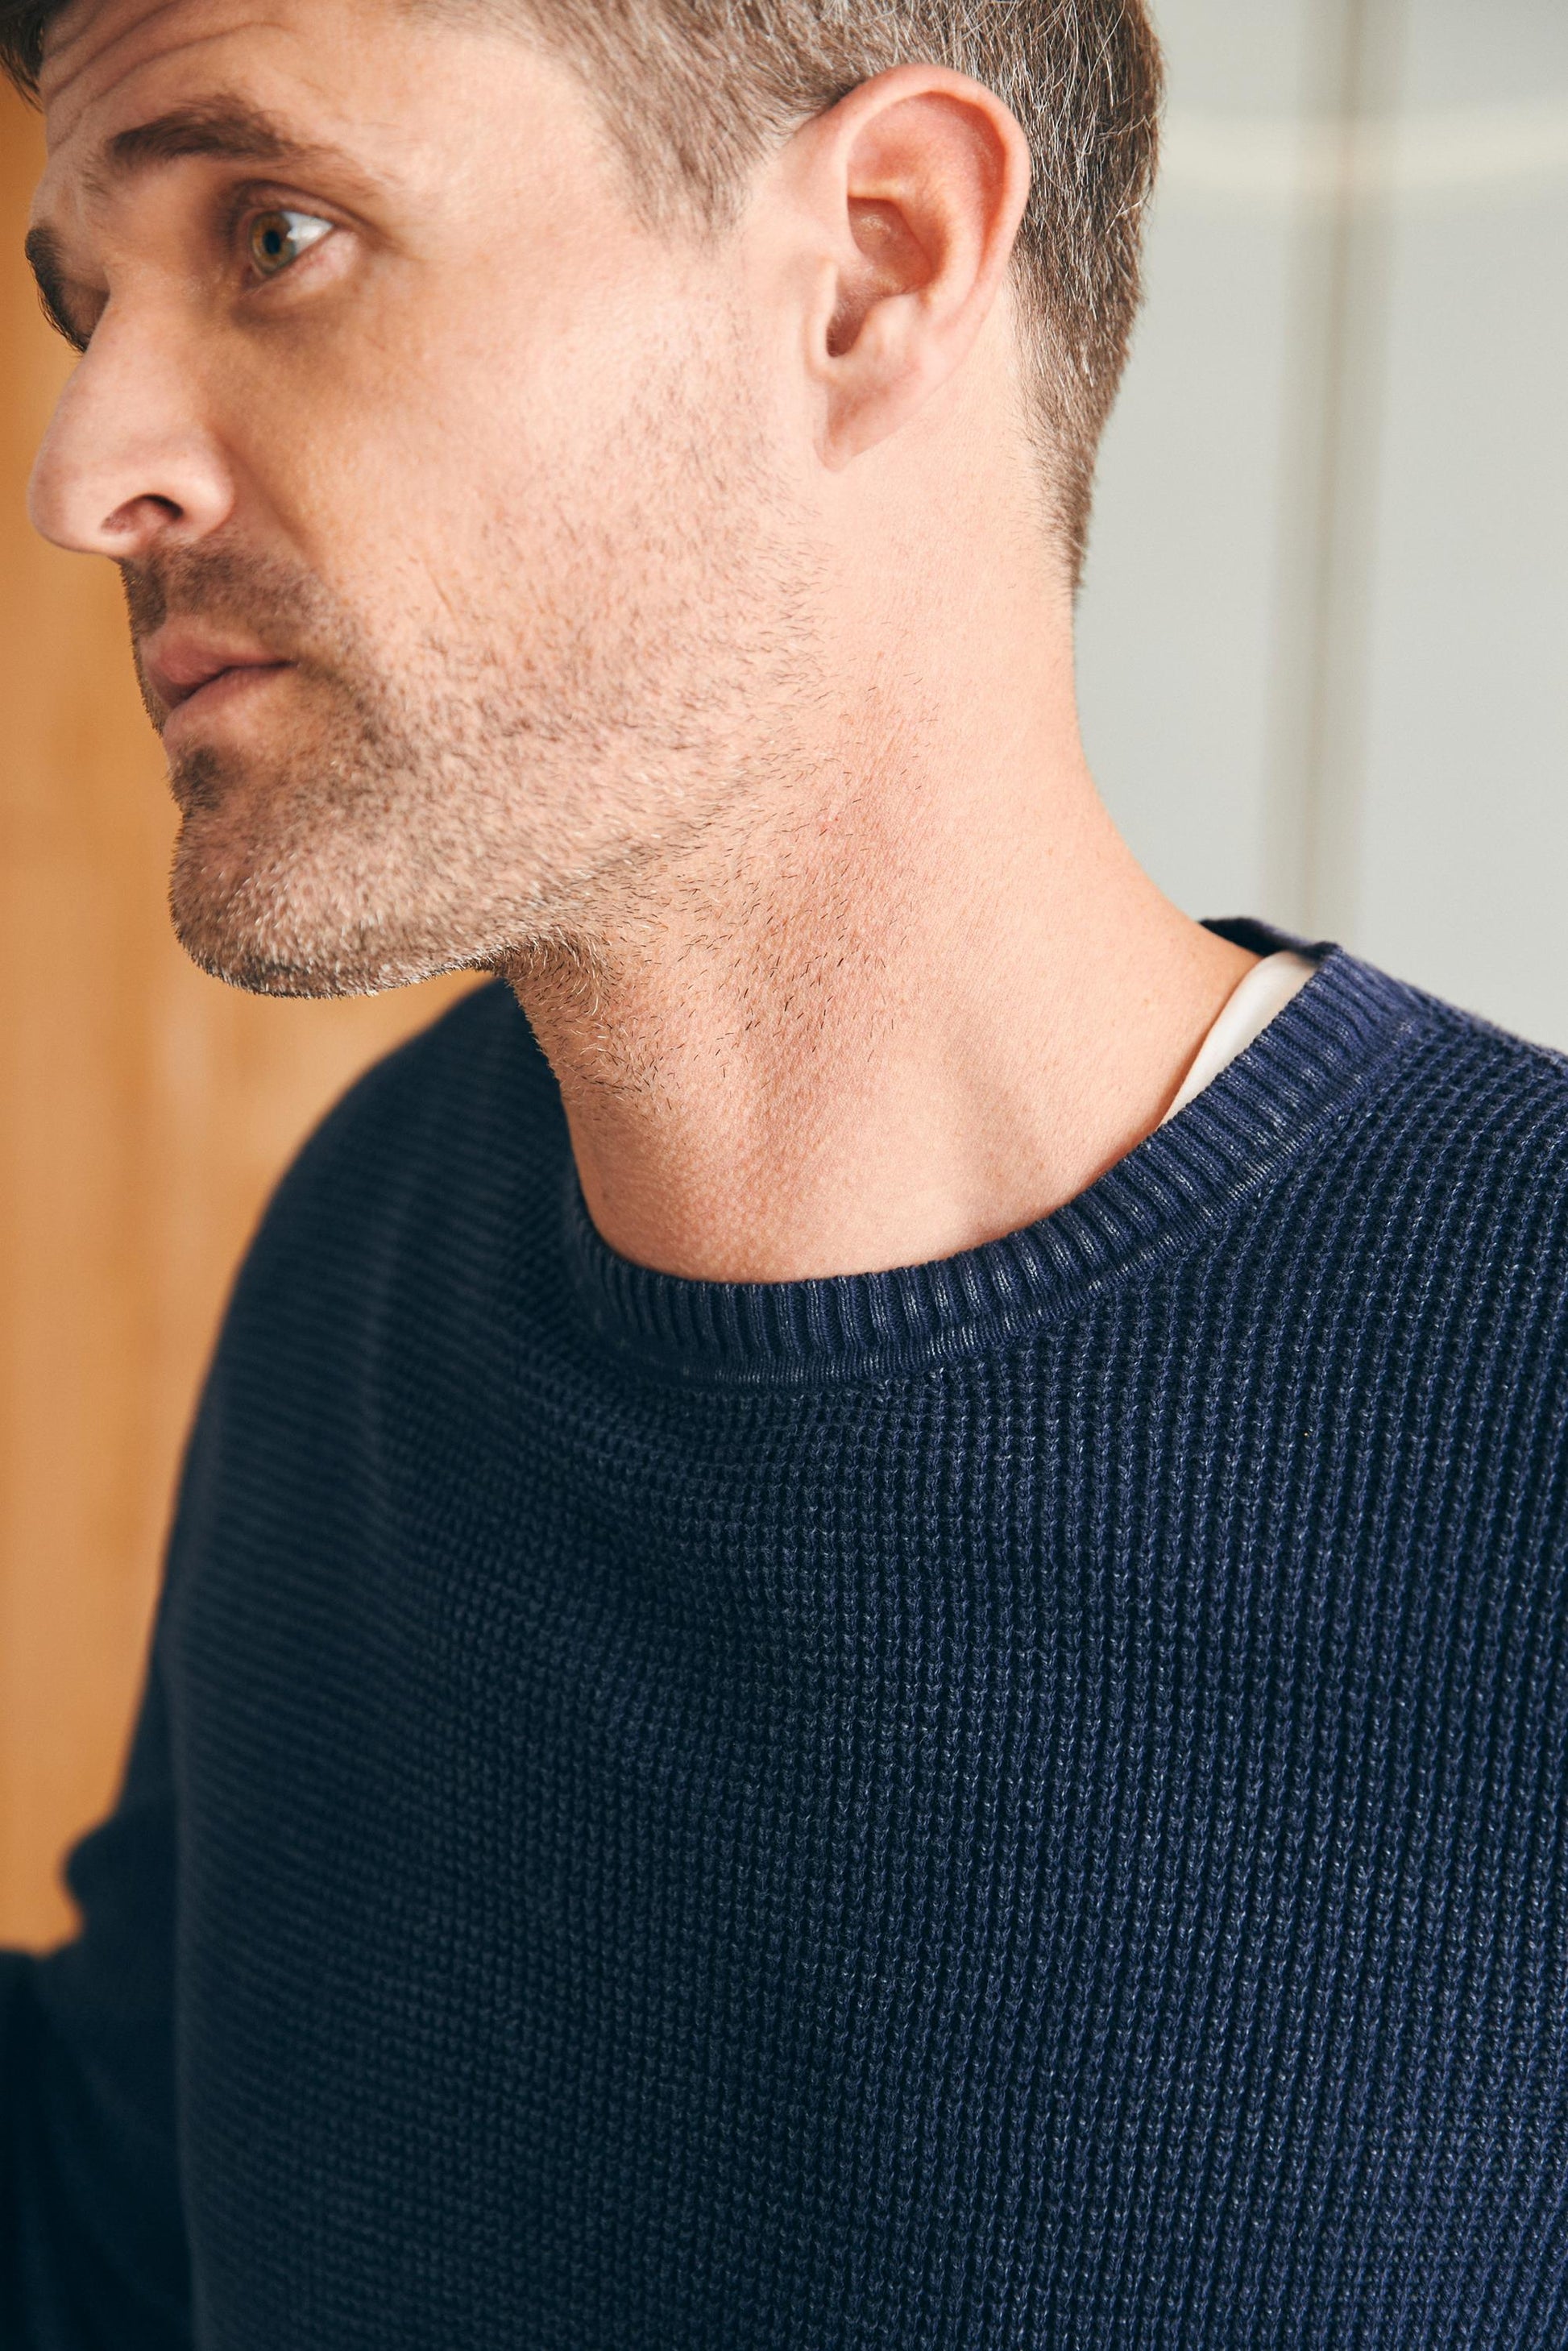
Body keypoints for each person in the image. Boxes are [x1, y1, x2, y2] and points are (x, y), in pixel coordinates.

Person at [3, 0, 1567, 2338]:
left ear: (872, 262)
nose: (85, 471)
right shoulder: (381, 1238)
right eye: (87, 309)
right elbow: (131, 2216)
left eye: (278, 235)